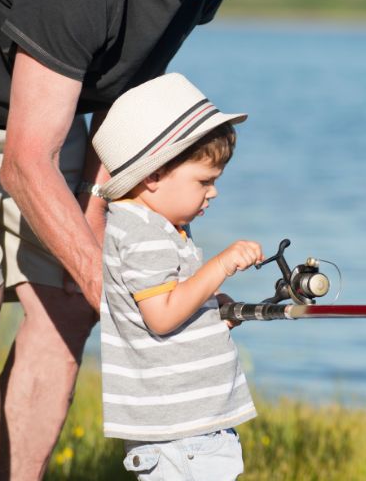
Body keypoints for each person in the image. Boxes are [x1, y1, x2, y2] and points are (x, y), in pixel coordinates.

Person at [0, 0, 344, 478]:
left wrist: (102, 238)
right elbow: (24, 163)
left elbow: (125, 93)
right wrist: (115, 288)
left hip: (43, 105)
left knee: (68, 300)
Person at [92, 72, 261, 480]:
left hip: (188, 427)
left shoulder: (158, 224)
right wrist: (218, 267)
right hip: (181, 435)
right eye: (204, 181)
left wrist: (209, 307)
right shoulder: (142, 232)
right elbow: (162, 316)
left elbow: (169, 301)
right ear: (152, 176)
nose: (213, 192)